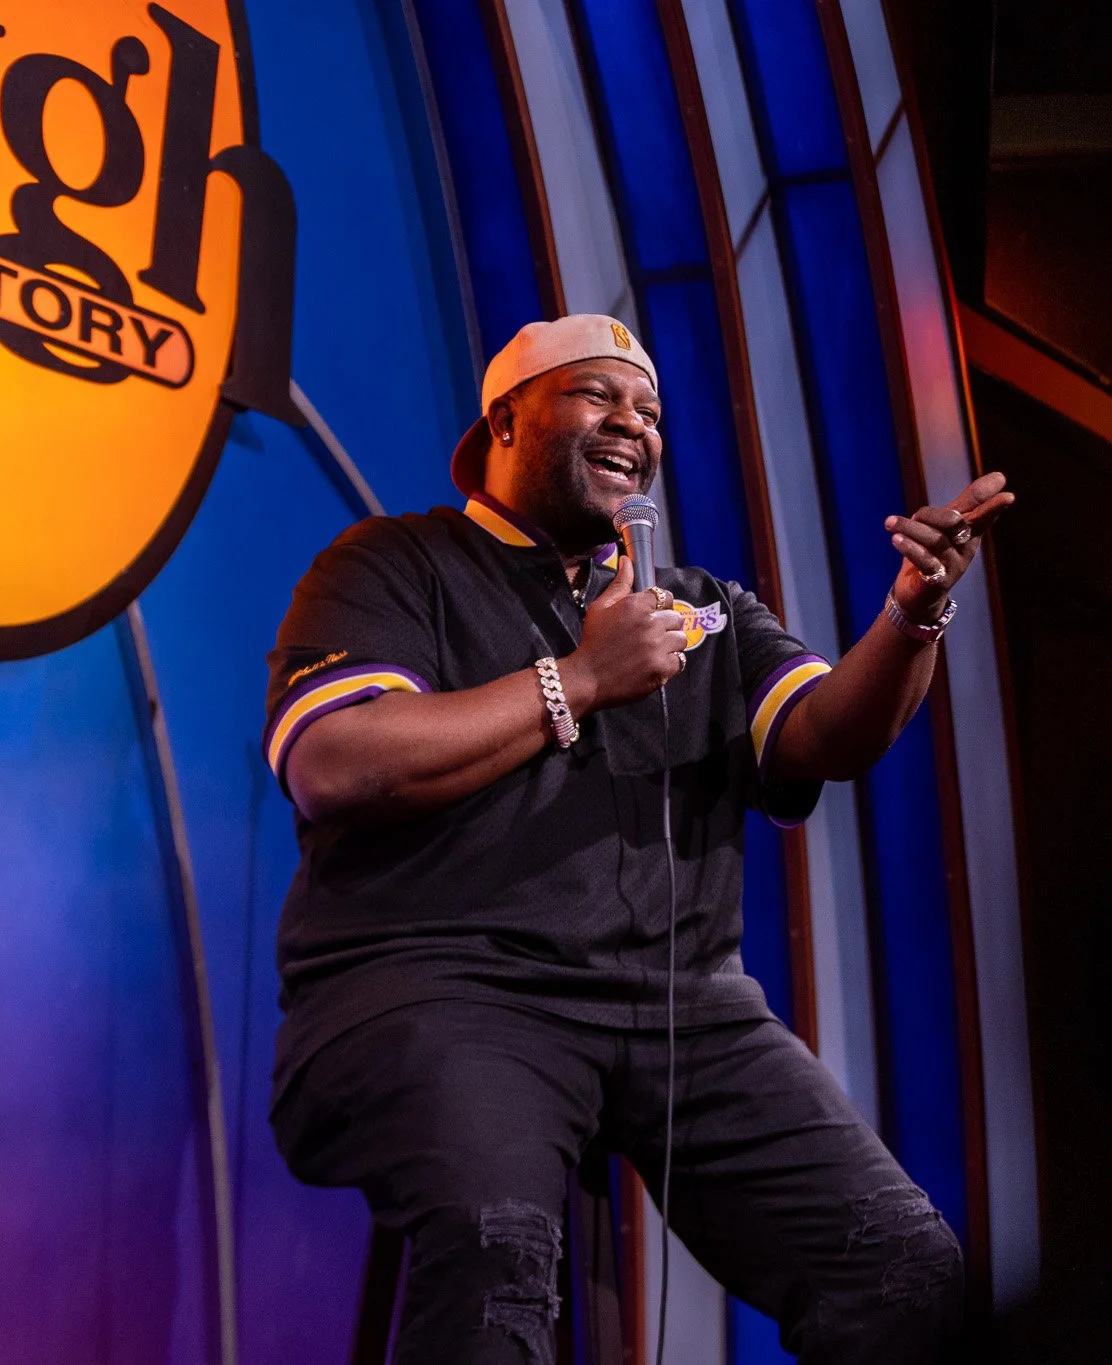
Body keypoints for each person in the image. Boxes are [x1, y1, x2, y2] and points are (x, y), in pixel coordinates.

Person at [261, 315, 1013, 1363]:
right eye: (597, 395)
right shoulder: (396, 564)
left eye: (649, 409)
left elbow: (826, 735)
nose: (632, 423)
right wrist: (578, 680)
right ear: (505, 420)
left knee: (909, 1276)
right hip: (444, 991)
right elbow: (335, 762)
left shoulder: (698, 609)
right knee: (498, 1257)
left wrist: (913, 613)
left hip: (678, 1007)